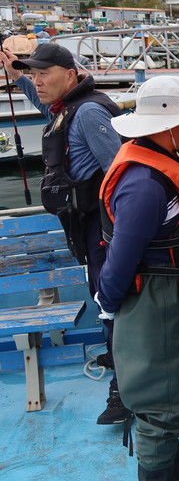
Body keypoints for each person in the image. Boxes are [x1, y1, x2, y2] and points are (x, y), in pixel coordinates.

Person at [94, 75, 179, 481]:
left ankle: (171, 460)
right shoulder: (144, 185)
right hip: (160, 302)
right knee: (160, 395)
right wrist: (108, 304)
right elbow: (121, 258)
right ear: (167, 127)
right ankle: (156, 471)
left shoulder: (165, 160)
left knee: (176, 383)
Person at [0, 43, 131, 425]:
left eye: (44, 74)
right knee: (104, 300)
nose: (38, 82)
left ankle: (124, 391)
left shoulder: (88, 112)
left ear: (70, 75)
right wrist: (18, 78)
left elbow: (120, 174)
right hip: (86, 229)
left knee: (111, 304)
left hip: (102, 229)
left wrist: (122, 235)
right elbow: (50, 113)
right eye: (34, 75)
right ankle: (120, 359)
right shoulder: (66, 109)